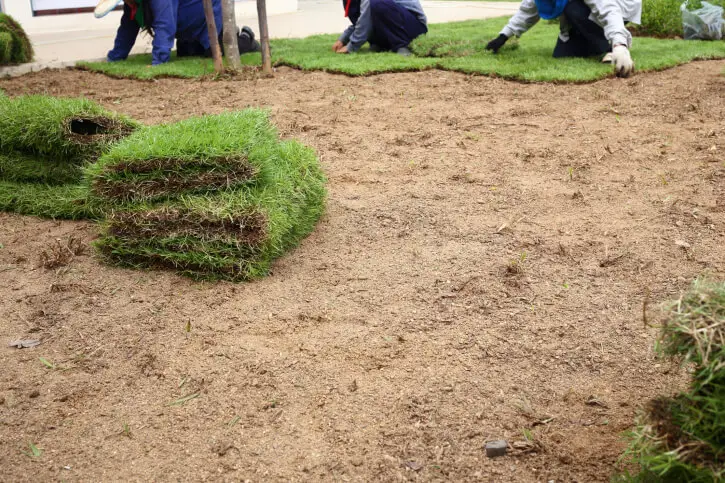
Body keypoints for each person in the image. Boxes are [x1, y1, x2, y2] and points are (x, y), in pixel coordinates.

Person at [485, 0, 641, 77]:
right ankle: (595, 44)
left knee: (572, 7)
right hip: (590, 9)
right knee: (562, 54)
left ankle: (607, 47)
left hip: (620, 6)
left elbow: (608, 10)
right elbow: (528, 10)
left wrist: (619, 45)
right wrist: (503, 36)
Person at [107, 0, 222, 66]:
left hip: (209, 24)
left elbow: (165, 24)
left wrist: (159, 61)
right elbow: (128, 27)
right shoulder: (133, 2)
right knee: (187, 52)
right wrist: (115, 57)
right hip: (187, 31)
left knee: (215, 51)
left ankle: (239, 36)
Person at [332, 0, 428, 56]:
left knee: (376, 3)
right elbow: (362, 18)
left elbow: (366, 18)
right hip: (395, 20)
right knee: (355, 4)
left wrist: (351, 47)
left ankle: (402, 45)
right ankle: (380, 44)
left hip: (414, 26)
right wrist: (343, 39)